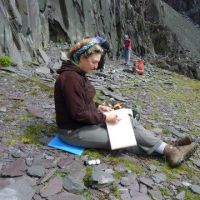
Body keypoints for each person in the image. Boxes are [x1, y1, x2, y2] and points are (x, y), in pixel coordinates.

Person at [54, 38, 197, 168]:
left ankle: (167, 148)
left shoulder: (78, 74)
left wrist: (98, 106)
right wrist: (104, 118)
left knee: (128, 121)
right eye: (94, 62)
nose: (96, 66)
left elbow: (82, 101)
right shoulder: (70, 78)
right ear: (81, 58)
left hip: (83, 124)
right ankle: (170, 150)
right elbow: (78, 113)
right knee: (122, 138)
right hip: (73, 131)